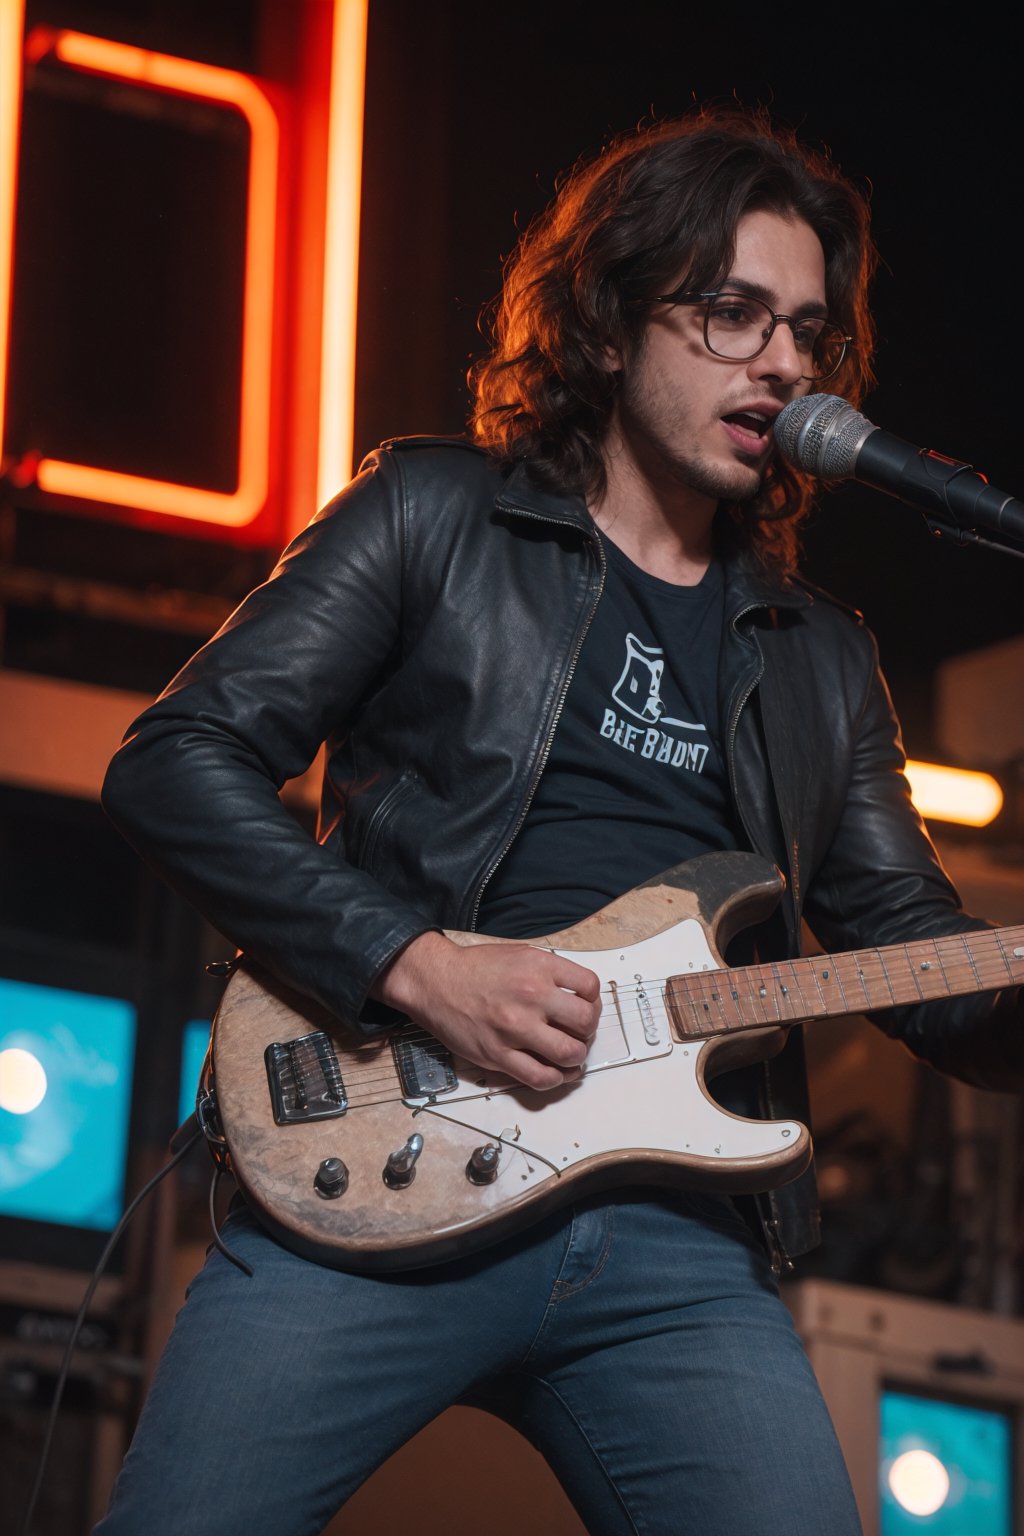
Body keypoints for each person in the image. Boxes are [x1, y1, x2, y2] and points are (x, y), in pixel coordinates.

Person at [95, 105, 1022, 1536]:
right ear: (604, 325)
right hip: (374, 1162)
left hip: (675, 1247)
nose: (781, 362)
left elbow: (911, 946)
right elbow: (178, 758)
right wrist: (413, 961)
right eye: (730, 313)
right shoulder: (431, 516)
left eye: (806, 332)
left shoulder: (822, 659)